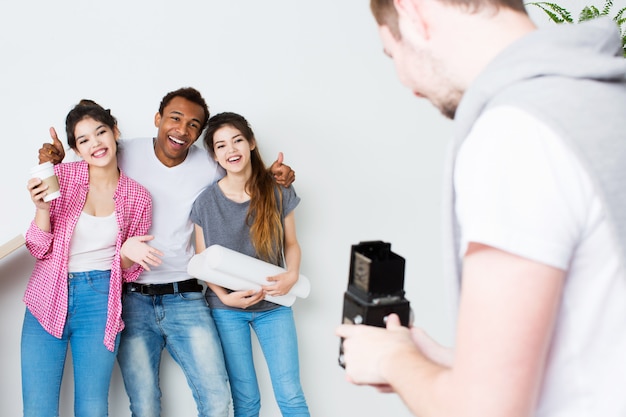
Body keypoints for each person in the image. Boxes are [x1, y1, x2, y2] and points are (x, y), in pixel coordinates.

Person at [336, 1, 626, 416]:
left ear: (413, 13)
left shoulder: (517, 132)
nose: (407, 82)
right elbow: (599, 349)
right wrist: (442, 364)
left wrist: (389, 359)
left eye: (391, 52)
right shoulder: (601, 100)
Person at [40, 87, 296, 417]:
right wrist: (56, 161)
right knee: (145, 406)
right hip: (130, 297)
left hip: (186, 296)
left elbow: (243, 174)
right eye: (175, 118)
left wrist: (278, 178)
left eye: (193, 124)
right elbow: (90, 149)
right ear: (158, 119)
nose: (182, 129)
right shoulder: (124, 152)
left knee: (218, 401)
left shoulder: (209, 163)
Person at [23, 100, 153, 416]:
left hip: (100, 299)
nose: (95, 143)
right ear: (76, 149)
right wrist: (42, 209)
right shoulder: (61, 178)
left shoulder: (138, 197)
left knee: (92, 408)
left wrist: (124, 256)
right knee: (38, 408)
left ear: (115, 132)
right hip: (47, 295)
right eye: (84, 140)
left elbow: (130, 271)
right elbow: (38, 248)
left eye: (100, 132)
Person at [190, 112, 310, 417]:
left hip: (275, 305)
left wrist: (292, 275)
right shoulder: (205, 203)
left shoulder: (277, 191)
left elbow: (291, 244)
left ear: (252, 142)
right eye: (221, 146)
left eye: (238, 140)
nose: (231, 150)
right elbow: (203, 264)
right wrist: (225, 297)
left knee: (291, 396)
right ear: (214, 155)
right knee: (246, 400)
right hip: (227, 310)